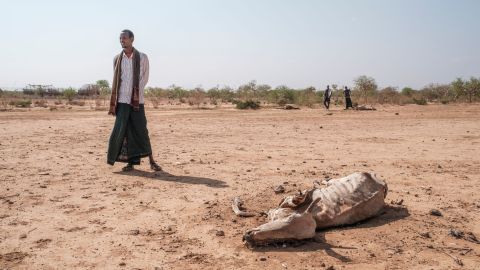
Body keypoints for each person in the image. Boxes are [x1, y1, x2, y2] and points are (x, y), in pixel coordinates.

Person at [107, 29, 162, 172]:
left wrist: (135, 95)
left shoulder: (142, 57)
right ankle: (130, 163)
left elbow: (144, 77)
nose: (122, 40)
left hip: (137, 102)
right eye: (120, 38)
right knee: (123, 131)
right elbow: (117, 79)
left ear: (132, 39)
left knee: (141, 130)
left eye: (124, 38)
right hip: (122, 102)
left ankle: (152, 161)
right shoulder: (116, 59)